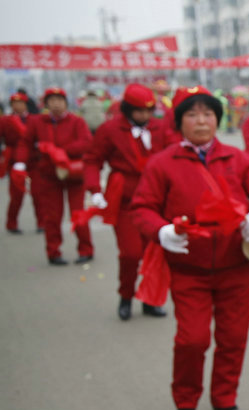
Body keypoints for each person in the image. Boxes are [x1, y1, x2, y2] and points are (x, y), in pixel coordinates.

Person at [131, 85, 249, 410]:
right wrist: (161, 231)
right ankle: (186, 401)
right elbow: (141, 208)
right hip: (189, 269)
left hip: (235, 267)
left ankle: (224, 399)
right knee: (192, 339)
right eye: (192, 114)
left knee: (233, 338)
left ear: (217, 119)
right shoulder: (163, 164)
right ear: (180, 122)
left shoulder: (237, 158)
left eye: (208, 114)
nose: (201, 121)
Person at [83, 83, 176, 321]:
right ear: (127, 109)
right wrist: (95, 190)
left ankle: (150, 299)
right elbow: (93, 160)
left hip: (158, 201)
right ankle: (126, 296)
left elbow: (176, 157)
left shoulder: (160, 128)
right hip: (126, 202)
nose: (144, 116)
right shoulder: (110, 130)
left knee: (155, 253)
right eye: (138, 111)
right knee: (131, 253)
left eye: (148, 110)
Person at [14, 87, 93, 265]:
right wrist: (19, 163)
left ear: (66, 103)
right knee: (52, 216)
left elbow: (87, 142)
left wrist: (61, 151)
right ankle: (53, 252)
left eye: (60, 100)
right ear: (46, 103)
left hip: (74, 175)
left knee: (78, 213)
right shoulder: (37, 122)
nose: (56, 104)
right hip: (49, 176)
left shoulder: (77, 122)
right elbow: (24, 143)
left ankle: (86, 249)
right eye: (52, 100)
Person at [0, 92, 38, 233]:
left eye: (20, 103)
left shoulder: (35, 120)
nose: (17, 106)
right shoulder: (5, 120)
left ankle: (42, 223)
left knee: (38, 193)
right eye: (14, 103)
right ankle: (11, 224)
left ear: (25, 104)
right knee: (16, 194)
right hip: (15, 162)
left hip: (34, 160)